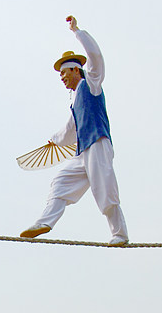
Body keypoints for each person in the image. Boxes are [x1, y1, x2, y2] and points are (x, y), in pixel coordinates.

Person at [20, 15, 129, 247]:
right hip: (83, 152)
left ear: (76, 70)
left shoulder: (92, 83)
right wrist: (54, 140)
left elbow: (96, 56)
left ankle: (120, 234)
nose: (62, 78)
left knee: (105, 191)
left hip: (98, 144)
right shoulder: (76, 101)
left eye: (64, 73)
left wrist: (77, 31)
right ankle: (44, 222)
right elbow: (70, 129)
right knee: (60, 182)